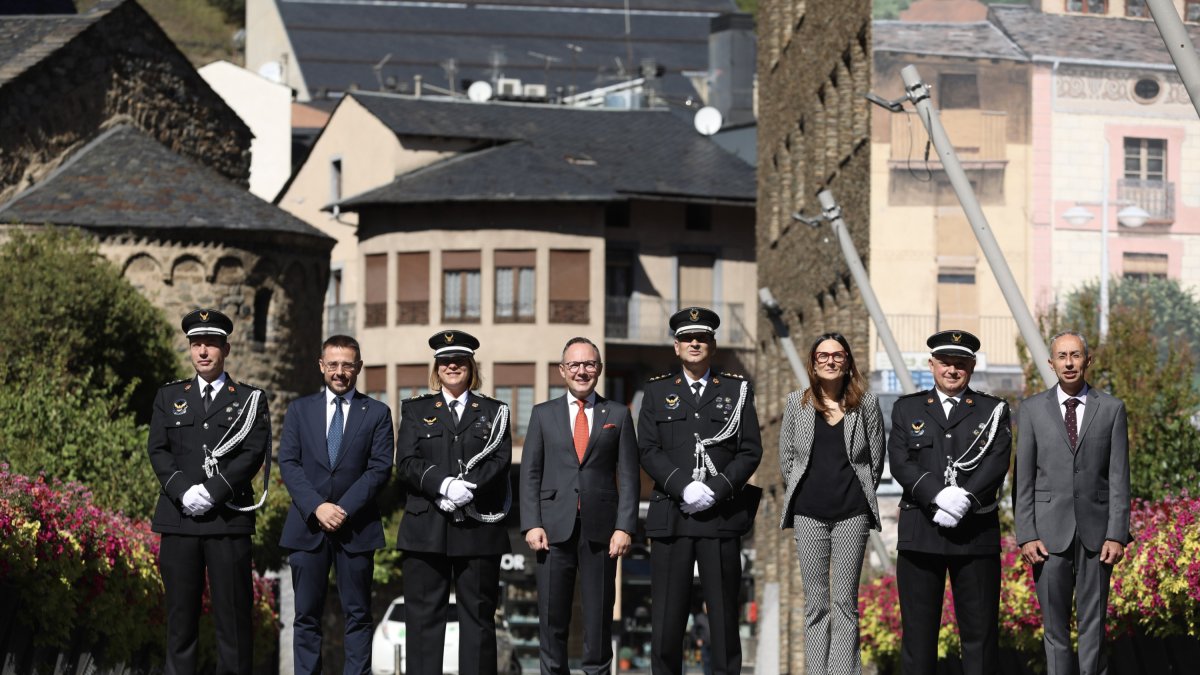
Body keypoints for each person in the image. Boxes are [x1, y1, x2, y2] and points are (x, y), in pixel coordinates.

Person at [639, 306, 763, 675]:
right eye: (687, 338)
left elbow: (750, 450)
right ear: (676, 347)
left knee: (724, 619)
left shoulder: (736, 390)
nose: (695, 343)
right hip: (673, 517)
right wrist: (683, 486)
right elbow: (647, 448)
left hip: (720, 517)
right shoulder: (658, 390)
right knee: (666, 621)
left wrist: (717, 489)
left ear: (713, 344)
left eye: (702, 338)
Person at [146, 308, 270, 675]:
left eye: (211, 344)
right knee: (180, 621)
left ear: (226, 349)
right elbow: (158, 450)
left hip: (227, 520)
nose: (203, 352)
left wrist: (213, 491)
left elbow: (252, 453)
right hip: (179, 519)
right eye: (196, 344)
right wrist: (184, 491)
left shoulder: (249, 399)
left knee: (233, 623)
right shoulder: (170, 397)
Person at [887, 330, 1011, 675]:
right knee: (918, 636)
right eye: (945, 363)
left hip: (975, 535)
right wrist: (938, 495)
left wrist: (965, 500)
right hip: (921, 533)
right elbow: (899, 461)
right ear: (931, 365)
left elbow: (998, 461)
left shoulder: (993, 410)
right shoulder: (907, 408)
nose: (952, 370)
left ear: (971, 367)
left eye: (960, 363)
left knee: (980, 636)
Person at [520, 336, 639, 675]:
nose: (582, 371)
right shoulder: (543, 415)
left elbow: (628, 476)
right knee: (551, 619)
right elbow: (530, 472)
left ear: (599, 369)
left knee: (599, 619)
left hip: (602, 533)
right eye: (574, 364)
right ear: (562, 370)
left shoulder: (618, 413)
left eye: (589, 364)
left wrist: (624, 526)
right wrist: (531, 523)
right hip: (552, 531)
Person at [395, 330, 512, 675]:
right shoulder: (415, 410)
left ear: (471, 366)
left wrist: (467, 489)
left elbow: (499, 460)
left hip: (477, 528)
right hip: (425, 527)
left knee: (478, 621)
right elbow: (406, 462)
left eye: (459, 360)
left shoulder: (496, 411)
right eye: (445, 361)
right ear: (436, 368)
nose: (452, 366)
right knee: (423, 622)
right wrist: (443, 486)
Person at [1014, 331, 1129, 675]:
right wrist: (1026, 534)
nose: (1069, 363)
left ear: (1087, 360)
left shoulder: (1111, 409)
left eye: (1075, 355)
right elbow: (1024, 479)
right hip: (1048, 536)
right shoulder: (1032, 410)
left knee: (1094, 626)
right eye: (1062, 356)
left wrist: (1117, 534)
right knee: (1055, 629)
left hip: (1098, 535)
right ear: (1051, 363)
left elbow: (1120, 477)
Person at [278, 334, 394, 675]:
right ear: (321, 366)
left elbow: (380, 467)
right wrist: (318, 507)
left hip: (356, 528)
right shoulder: (299, 410)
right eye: (333, 364)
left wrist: (341, 509)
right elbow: (289, 463)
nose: (339, 372)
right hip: (307, 526)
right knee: (306, 617)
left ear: (358, 367)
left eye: (347, 365)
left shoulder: (377, 413)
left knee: (358, 615)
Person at [778, 332, 885, 675]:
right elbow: (787, 460)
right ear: (813, 362)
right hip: (809, 513)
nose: (830, 361)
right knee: (816, 605)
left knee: (844, 603)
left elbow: (875, 459)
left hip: (852, 513)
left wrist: (858, 492)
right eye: (822, 356)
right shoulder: (797, 403)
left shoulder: (866, 404)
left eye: (837, 355)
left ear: (848, 362)